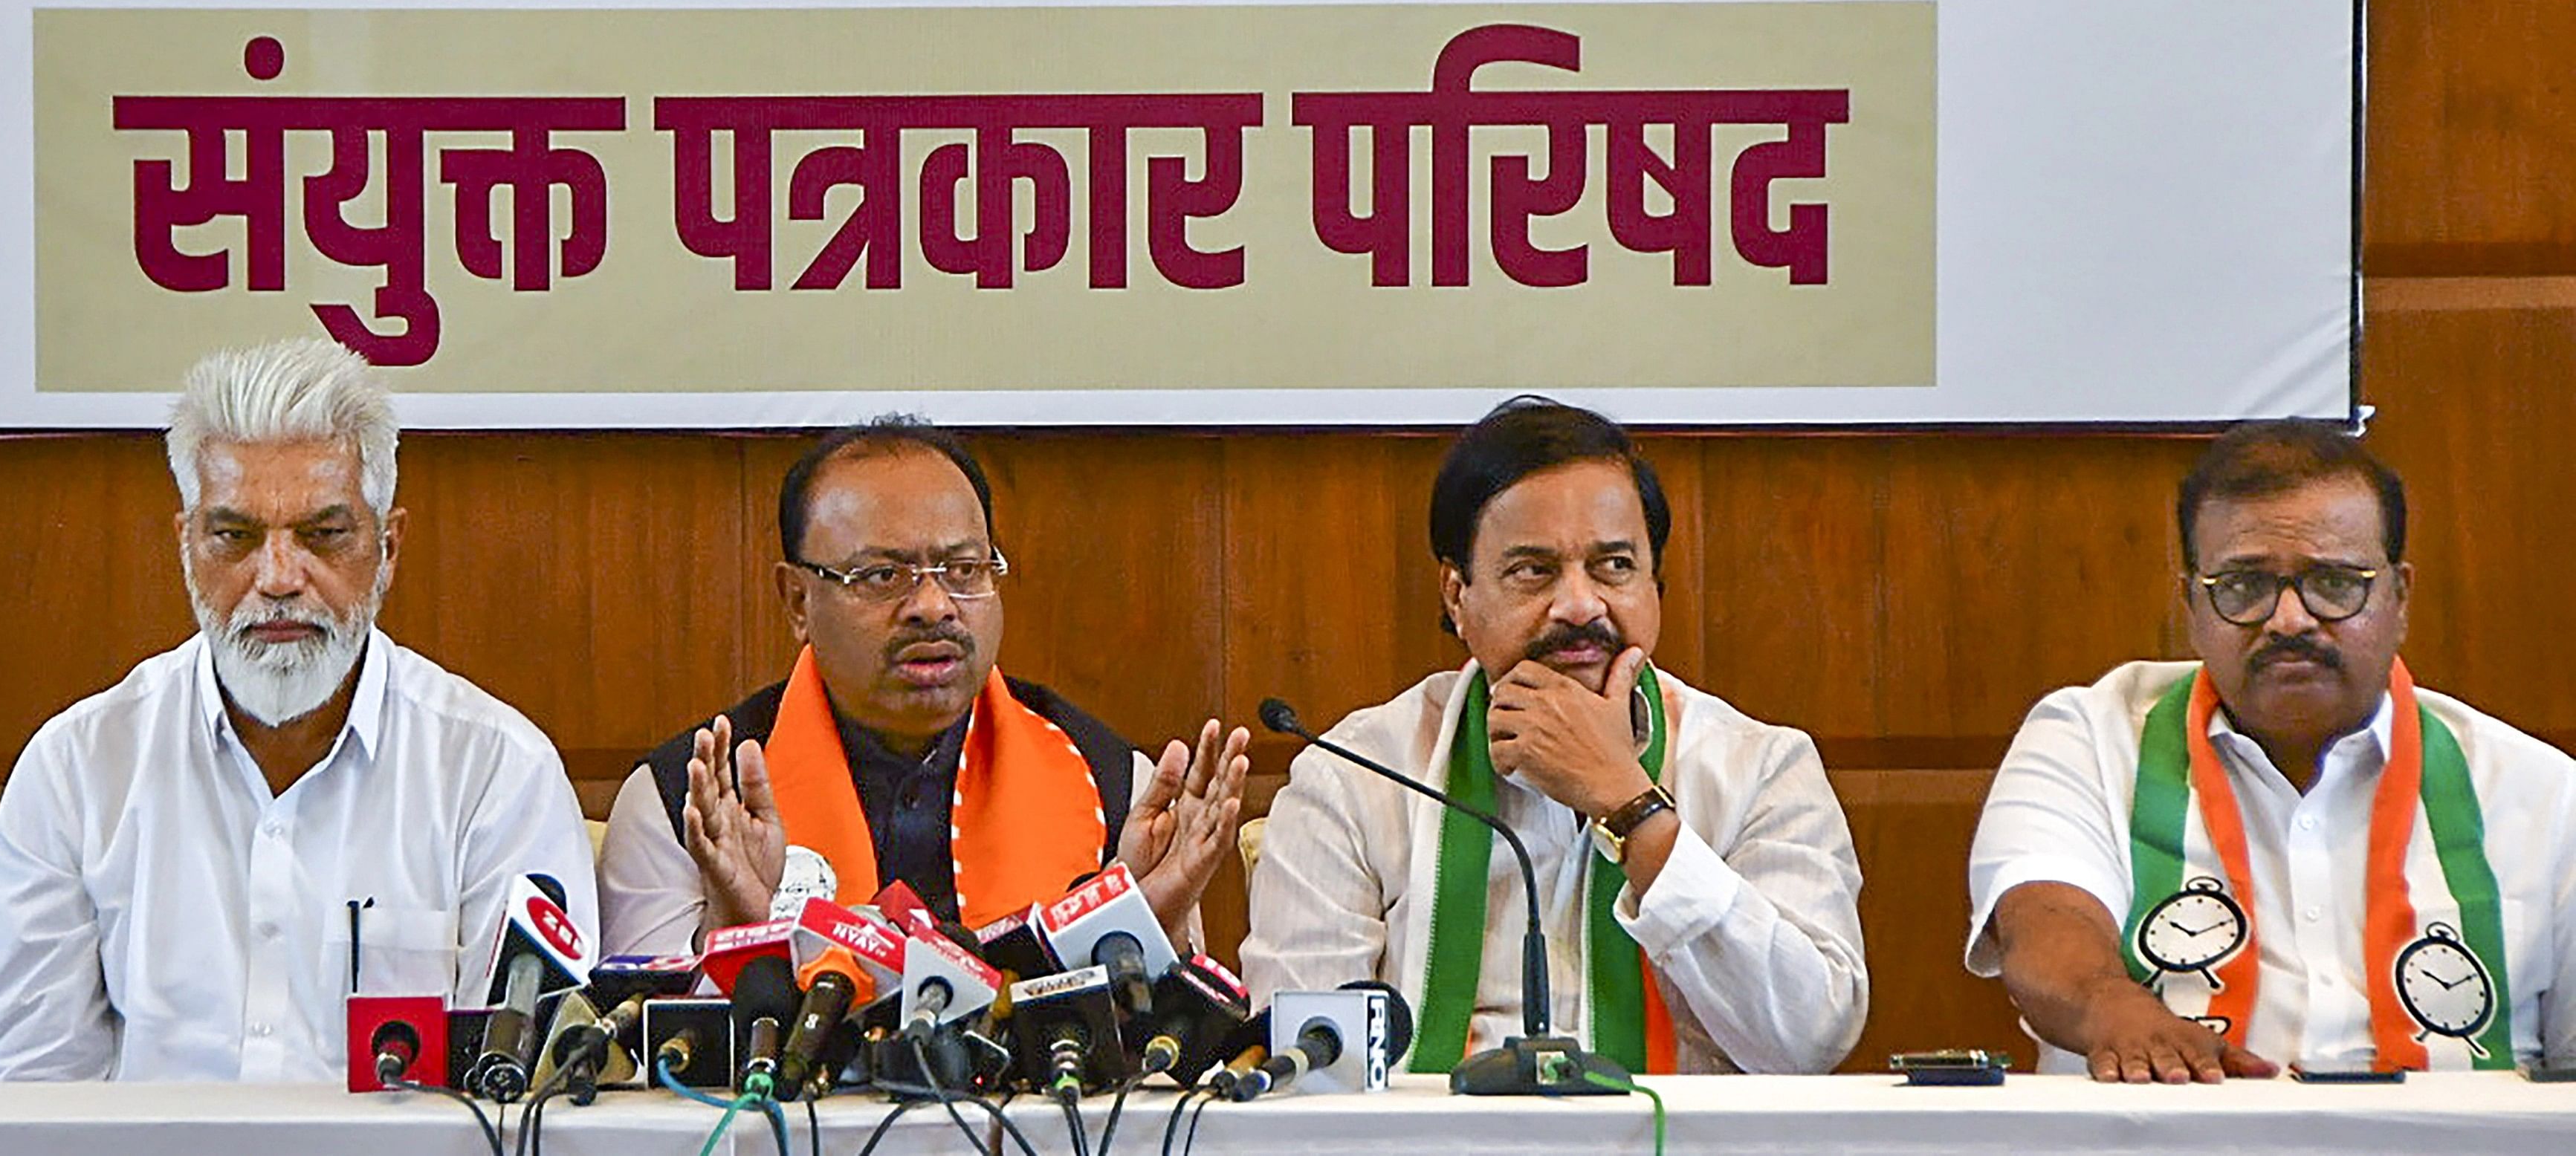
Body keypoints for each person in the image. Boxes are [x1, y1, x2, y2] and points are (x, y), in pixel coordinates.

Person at [0, 337, 592, 1080]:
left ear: (388, 548)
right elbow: (30, 1103)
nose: (278, 578)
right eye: (234, 536)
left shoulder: (495, 774)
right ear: (185, 546)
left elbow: (525, 1106)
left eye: (323, 535)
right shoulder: (75, 771)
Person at [1243, 398, 1868, 1074]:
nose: (1579, 605)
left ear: (1655, 583)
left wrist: (1633, 809)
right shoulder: (1356, 775)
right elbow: (1306, 1067)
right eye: (1534, 570)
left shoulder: (1761, 769)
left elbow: (1807, 1040)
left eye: (1614, 566)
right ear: (1458, 595)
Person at [1968, 420, 2576, 1081]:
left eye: (2336, 583)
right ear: (2191, 605)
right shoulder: (2092, 736)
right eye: (2244, 586)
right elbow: (2044, 920)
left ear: (2400, 597)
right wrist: (2109, 1008)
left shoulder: (2541, 793)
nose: (2290, 619)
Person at [598, 418, 1247, 952]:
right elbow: (645, 1075)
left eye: (964, 568)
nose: (934, 605)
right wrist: (739, 933)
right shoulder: (688, 801)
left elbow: (1163, 1077)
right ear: (797, 600)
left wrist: (1141, 930)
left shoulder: (1110, 785)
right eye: (883, 575)